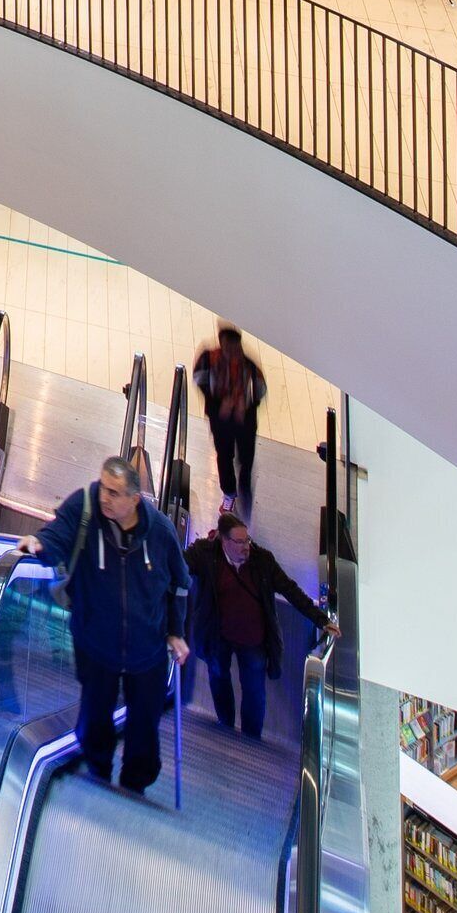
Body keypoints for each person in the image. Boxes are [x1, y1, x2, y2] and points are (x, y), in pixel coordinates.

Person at [31, 452, 190, 794]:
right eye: (103, 487)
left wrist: (176, 632)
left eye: (114, 493)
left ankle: (135, 786)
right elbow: (59, 533)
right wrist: (40, 545)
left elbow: (180, 584)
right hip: (96, 642)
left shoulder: (160, 532)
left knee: (144, 725)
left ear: (135, 499)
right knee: (94, 717)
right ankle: (98, 773)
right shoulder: (86, 507)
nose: (105, 497)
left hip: (147, 649)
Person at [186, 508, 327, 742]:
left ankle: (250, 740)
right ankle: (225, 728)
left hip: (253, 640)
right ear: (223, 540)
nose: (246, 547)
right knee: (218, 678)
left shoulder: (263, 561)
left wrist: (321, 620)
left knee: (254, 692)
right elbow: (178, 563)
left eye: (247, 540)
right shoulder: (206, 554)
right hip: (218, 636)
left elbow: (290, 590)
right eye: (239, 542)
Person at [190, 325, 268, 517]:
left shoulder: (248, 364)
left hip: (243, 419)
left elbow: (260, 387)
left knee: (246, 458)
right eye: (228, 347)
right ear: (221, 344)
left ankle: (244, 488)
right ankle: (230, 493)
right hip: (221, 418)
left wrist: (248, 404)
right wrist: (218, 402)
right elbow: (199, 379)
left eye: (235, 347)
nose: (232, 352)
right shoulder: (209, 359)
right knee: (224, 456)